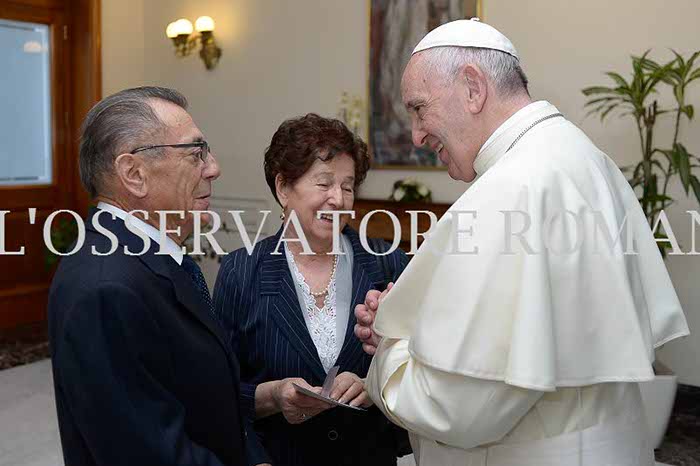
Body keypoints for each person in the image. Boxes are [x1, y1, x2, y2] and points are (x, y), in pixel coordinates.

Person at [354, 19, 690, 466]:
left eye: (419, 108)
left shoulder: (513, 189)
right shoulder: (581, 155)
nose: (415, 135)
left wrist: (390, 346)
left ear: (473, 88)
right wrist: (418, 319)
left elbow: (456, 408)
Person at [48, 86, 248, 466]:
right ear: (134, 174)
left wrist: (265, 404)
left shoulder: (153, 258)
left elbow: (191, 394)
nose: (213, 167)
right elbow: (149, 452)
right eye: (196, 152)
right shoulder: (106, 289)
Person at [213, 113, 410, 466]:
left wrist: (374, 386)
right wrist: (274, 395)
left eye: (347, 186)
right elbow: (218, 393)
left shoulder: (387, 264)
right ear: (283, 188)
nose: (338, 199)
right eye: (324, 183)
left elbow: (422, 368)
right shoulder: (241, 272)